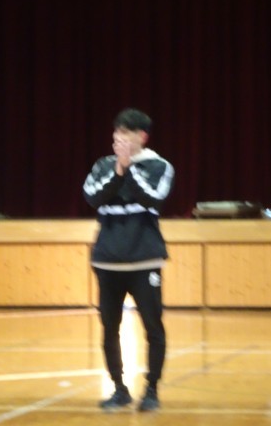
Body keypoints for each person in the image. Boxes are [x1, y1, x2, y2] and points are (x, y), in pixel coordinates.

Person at [82, 108, 175, 412]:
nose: (119, 138)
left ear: (142, 137)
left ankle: (151, 390)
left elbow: (153, 198)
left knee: (153, 326)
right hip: (107, 261)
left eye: (126, 133)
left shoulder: (159, 166)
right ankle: (119, 389)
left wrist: (129, 170)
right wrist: (118, 170)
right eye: (117, 132)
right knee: (109, 327)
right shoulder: (103, 166)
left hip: (144, 260)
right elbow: (93, 197)